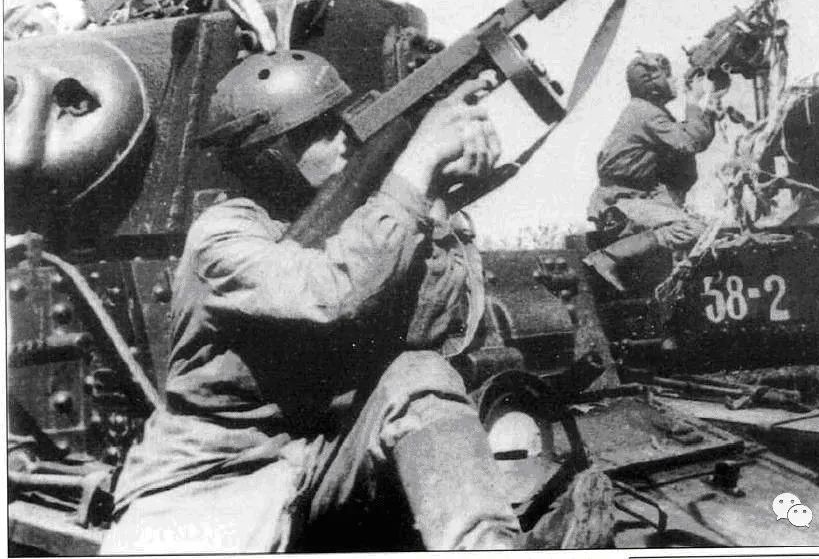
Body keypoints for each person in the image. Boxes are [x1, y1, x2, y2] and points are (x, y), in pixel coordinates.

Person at [101, 48, 612, 553]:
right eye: (320, 129)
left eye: (339, 121)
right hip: (219, 481)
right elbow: (331, 292)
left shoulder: (354, 223)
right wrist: (415, 164)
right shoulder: (222, 236)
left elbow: (428, 330)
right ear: (268, 155)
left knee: (418, 372)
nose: (345, 137)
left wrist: (433, 202)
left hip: (325, 457)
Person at [584, 50, 723, 291]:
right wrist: (692, 101)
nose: (674, 80)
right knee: (693, 228)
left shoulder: (646, 110)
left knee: (702, 226)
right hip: (621, 203)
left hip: (632, 199)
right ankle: (606, 258)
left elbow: (691, 140)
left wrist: (708, 110)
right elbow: (690, 142)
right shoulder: (645, 113)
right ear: (654, 84)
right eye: (669, 77)